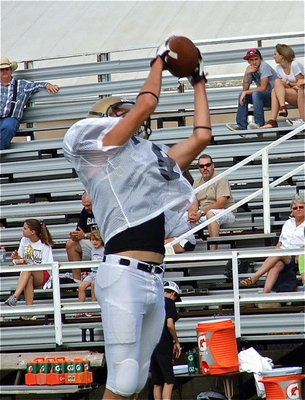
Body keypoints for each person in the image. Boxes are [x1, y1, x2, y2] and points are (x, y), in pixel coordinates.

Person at [63, 37, 211, 400]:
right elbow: (146, 104)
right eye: (121, 114)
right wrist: (159, 62)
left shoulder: (146, 162)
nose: (131, 118)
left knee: (139, 378)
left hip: (154, 279)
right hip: (123, 272)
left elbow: (202, 135)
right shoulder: (99, 158)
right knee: (125, 378)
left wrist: (199, 81)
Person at [240, 195, 305, 293]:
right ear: (292, 210)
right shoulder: (288, 223)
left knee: (279, 253)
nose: (298, 209)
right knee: (276, 264)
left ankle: (255, 277)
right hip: (284, 255)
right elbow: (280, 242)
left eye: (301, 207)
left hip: (298, 257)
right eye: (295, 208)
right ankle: (266, 293)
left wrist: (301, 251)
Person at [0, 56, 59, 150]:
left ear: (11, 70)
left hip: (10, 119)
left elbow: (38, 84)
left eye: (7, 69)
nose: (4, 72)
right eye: (2, 70)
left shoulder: (22, 85)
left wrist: (48, 85)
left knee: (8, 127)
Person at [3, 219, 54, 314]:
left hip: (43, 274)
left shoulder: (44, 244)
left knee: (28, 269)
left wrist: (26, 263)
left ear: (32, 232)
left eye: (25, 228)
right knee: (28, 277)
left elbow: (47, 265)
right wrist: (16, 257)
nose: (22, 230)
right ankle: (29, 311)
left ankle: (15, 296)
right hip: (28, 273)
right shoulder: (24, 240)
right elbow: (19, 261)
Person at [188, 154, 235, 250]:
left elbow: (221, 203)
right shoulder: (196, 182)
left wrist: (200, 213)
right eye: (201, 166)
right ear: (199, 168)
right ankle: (182, 247)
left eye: (208, 165)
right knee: (183, 218)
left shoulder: (221, 179)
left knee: (211, 213)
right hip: (204, 214)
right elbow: (194, 203)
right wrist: (191, 213)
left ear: (213, 165)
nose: (205, 168)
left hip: (225, 212)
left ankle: (214, 249)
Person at [252, 44, 304, 129]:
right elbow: (284, 85)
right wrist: (289, 84)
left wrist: (288, 83)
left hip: (301, 94)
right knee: (275, 87)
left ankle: (279, 112)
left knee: (276, 88)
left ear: (282, 55)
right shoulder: (278, 68)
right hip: (293, 94)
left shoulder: (294, 64)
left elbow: (300, 84)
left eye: (275, 54)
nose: (273, 56)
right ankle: (274, 118)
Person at [226, 48, 278, 131]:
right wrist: (247, 74)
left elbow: (263, 88)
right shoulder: (250, 69)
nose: (254, 62)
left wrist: (246, 92)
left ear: (261, 59)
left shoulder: (264, 66)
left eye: (256, 59)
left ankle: (259, 124)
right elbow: (245, 88)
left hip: (274, 97)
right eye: (251, 60)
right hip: (263, 98)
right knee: (242, 95)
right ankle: (241, 126)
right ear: (248, 61)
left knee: (256, 94)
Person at [150, 281, 182, 400]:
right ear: (173, 293)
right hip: (163, 343)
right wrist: (176, 341)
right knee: (169, 380)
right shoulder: (168, 302)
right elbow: (169, 324)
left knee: (157, 382)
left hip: (150, 343)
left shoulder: (153, 303)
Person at [65, 192, 98, 282]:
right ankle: (77, 281)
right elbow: (80, 231)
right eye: (84, 205)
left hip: (105, 244)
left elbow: (106, 233)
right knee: (70, 244)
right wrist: (76, 236)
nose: (86, 208)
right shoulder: (85, 211)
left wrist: (85, 235)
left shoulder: (104, 211)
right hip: (92, 243)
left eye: (88, 205)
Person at [77, 230, 104, 317]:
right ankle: (80, 308)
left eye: (97, 240)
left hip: (100, 273)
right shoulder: (92, 249)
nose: (95, 242)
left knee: (93, 284)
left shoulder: (104, 250)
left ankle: (92, 307)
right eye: (93, 240)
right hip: (92, 273)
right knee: (81, 286)